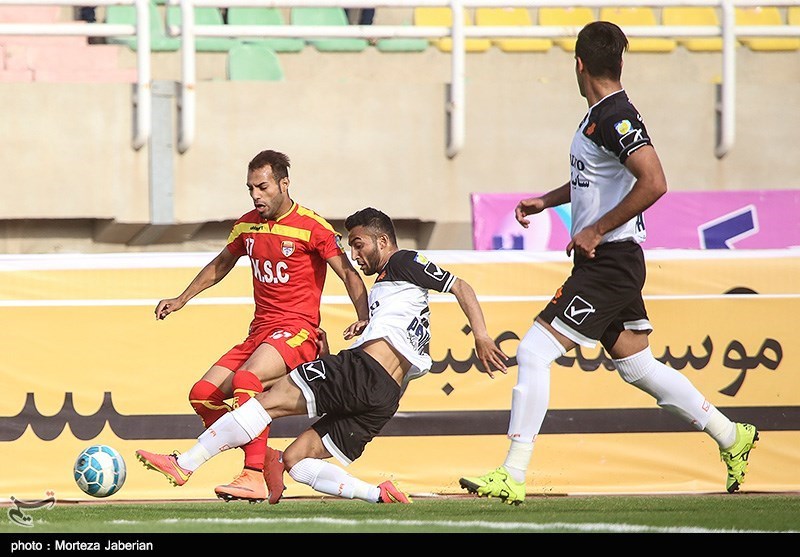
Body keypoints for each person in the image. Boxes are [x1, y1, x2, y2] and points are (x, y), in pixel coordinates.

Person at [459, 21, 758, 506]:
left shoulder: (615, 115)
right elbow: (598, 178)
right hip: (610, 259)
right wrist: (548, 200)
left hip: (610, 260)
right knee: (637, 365)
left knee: (534, 352)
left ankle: (512, 472)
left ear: (578, 64)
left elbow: (654, 181)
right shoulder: (598, 115)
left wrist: (595, 229)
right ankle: (731, 435)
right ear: (618, 62)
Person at [137, 207, 509, 504]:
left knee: (268, 398)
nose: (355, 254)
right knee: (296, 461)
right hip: (384, 397)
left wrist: (482, 335)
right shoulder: (392, 291)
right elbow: (398, 336)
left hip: (363, 372)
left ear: (383, 240)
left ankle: (184, 464)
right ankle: (378, 495)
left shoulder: (402, 261)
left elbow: (461, 285)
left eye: (360, 244)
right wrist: (363, 325)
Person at [152, 149, 369, 504]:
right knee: (202, 394)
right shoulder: (247, 224)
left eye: (263, 187)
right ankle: (265, 459)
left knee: (246, 381)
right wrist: (181, 298)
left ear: (284, 183)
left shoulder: (312, 227)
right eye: (250, 188)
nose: (256, 195)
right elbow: (220, 264)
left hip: (298, 332)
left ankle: (252, 475)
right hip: (260, 333)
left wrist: (363, 316)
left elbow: (347, 272)